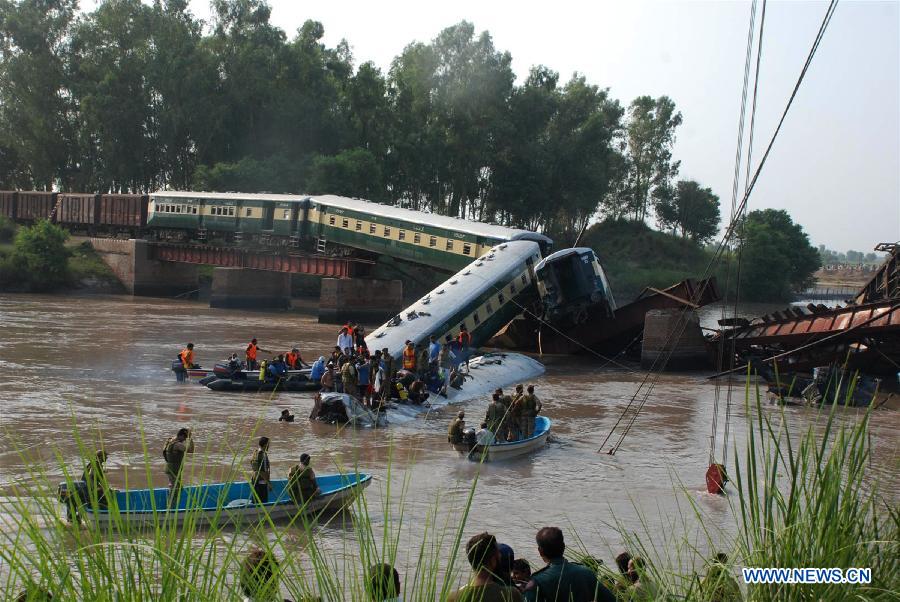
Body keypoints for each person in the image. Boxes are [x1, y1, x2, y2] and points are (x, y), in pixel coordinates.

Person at [523, 527, 615, 602]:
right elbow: (611, 600)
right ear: (563, 547)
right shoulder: (586, 573)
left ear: (540, 551)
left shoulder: (537, 581)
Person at [448, 532, 523, 602]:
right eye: (499, 554)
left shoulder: (453, 597)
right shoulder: (511, 595)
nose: (500, 557)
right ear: (493, 561)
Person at [163, 427, 194, 507]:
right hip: (173, 470)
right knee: (175, 490)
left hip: (170, 469)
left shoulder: (170, 441)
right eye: (185, 438)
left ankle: (172, 506)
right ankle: (171, 508)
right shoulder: (177, 445)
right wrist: (190, 439)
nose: (184, 440)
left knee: (177, 487)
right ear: (181, 436)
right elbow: (190, 450)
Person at [250, 437, 271, 504]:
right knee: (263, 503)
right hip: (262, 483)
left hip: (254, 480)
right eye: (268, 444)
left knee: (256, 502)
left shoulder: (255, 453)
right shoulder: (263, 455)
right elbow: (263, 471)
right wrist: (268, 483)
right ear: (265, 445)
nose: (269, 446)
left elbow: (253, 466)